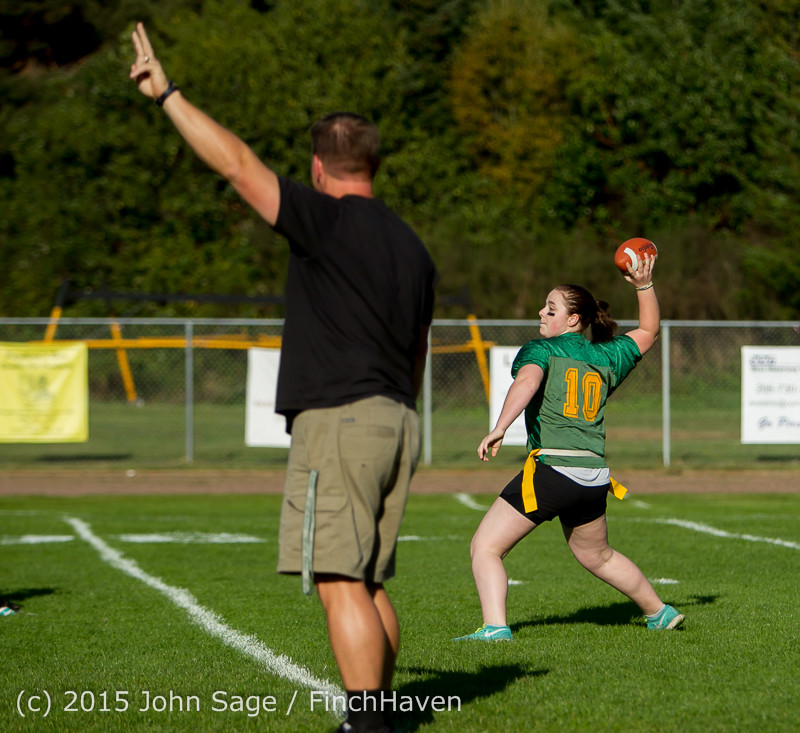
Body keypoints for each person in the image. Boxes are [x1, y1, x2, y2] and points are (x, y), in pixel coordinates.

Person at [130, 24, 437, 733]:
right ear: (373, 163)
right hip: (399, 417)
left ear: (319, 167)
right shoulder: (412, 246)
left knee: (338, 578)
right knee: (367, 580)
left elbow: (237, 164)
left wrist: (167, 94)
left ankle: (367, 722)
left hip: (342, 419)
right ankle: (381, 712)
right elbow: (420, 346)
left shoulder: (325, 220)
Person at [454, 253, 684, 642]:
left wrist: (500, 427)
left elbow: (527, 383)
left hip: (554, 471)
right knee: (599, 556)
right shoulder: (606, 355)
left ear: (573, 319)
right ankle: (659, 612)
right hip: (593, 476)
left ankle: (495, 628)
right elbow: (649, 329)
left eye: (551, 308)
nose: (541, 313)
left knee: (485, 547)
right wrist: (644, 285)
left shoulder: (541, 349)